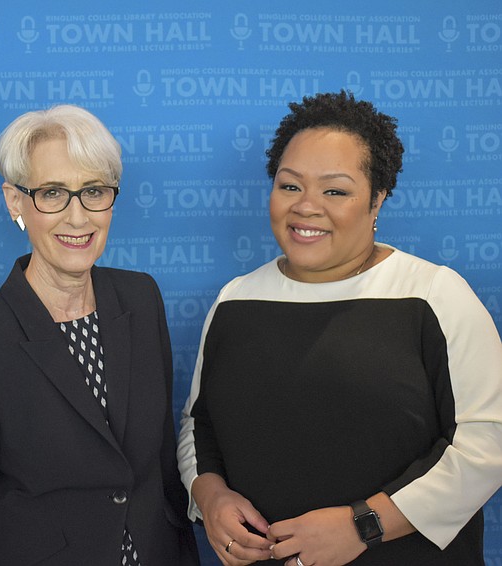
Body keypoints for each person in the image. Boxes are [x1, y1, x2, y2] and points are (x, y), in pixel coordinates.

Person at [177, 91, 502, 566]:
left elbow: (486, 441)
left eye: (335, 190)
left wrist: (363, 525)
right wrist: (209, 497)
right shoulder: (235, 300)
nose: (306, 207)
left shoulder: (432, 295)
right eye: (290, 186)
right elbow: (198, 426)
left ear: (377, 199)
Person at [0, 104, 200, 565]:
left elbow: (158, 463)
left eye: (93, 191)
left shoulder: (141, 297)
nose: (78, 218)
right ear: (15, 202)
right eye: (53, 193)